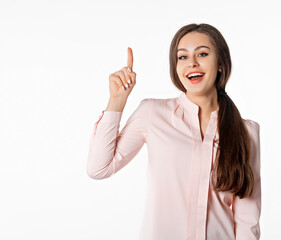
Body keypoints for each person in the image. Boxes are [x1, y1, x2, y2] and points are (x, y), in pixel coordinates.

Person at [87, 23, 261, 240]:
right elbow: (99, 168)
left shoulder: (246, 132)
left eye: (203, 54)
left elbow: (247, 219)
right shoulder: (152, 113)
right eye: (183, 57)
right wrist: (117, 100)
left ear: (220, 64)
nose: (192, 63)